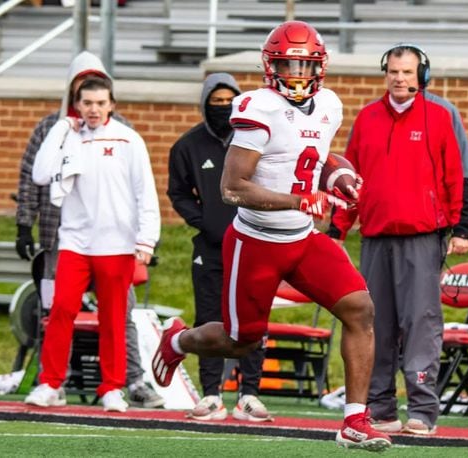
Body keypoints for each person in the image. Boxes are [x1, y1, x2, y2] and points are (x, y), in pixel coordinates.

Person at [152, 20, 391, 451]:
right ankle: (178, 339)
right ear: (270, 65)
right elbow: (233, 187)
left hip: (302, 239)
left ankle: (355, 420)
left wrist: (338, 174)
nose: (297, 74)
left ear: (319, 66)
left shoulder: (329, 105)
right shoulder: (256, 107)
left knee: (360, 309)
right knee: (239, 341)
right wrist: (299, 202)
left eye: (305, 64)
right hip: (256, 240)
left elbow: (313, 156)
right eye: (288, 63)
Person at [326, 44, 464, 435]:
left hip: (422, 236)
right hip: (375, 237)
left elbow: (455, 174)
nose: (400, 78)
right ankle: (381, 407)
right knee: (375, 322)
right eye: (393, 71)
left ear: (421, 75)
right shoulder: (367, 118)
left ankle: (422, 409)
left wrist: (460, 227)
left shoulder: (438, 117)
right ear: (385, 73)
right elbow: (348, 178)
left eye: (407, 72)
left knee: (420, 321)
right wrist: (338, 228)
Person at [15, 51, 164, 409]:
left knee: (113, 318)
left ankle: (112, 387)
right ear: (76, 103)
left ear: (111, 103)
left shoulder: (129, 139)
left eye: (100, 102)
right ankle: (51, 383)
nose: (93, 109)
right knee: (61, 310)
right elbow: (39, 173)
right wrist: (64, 127)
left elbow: (146, 190)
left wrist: (147, 239)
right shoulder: (67, 134)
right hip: (75, 242)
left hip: (117, 243)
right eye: (86, 102)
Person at [167, 73, 272, 422]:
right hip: (211, 247)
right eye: (216, 101)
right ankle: (211, 394)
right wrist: (204, 221)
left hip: (254, 242)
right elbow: (178, 192)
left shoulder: (255, 142)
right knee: (209, 316)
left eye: (230, 100)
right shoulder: (188, 146)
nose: (223, 107)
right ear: (204, 104)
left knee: (252, 318)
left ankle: (250, 395)